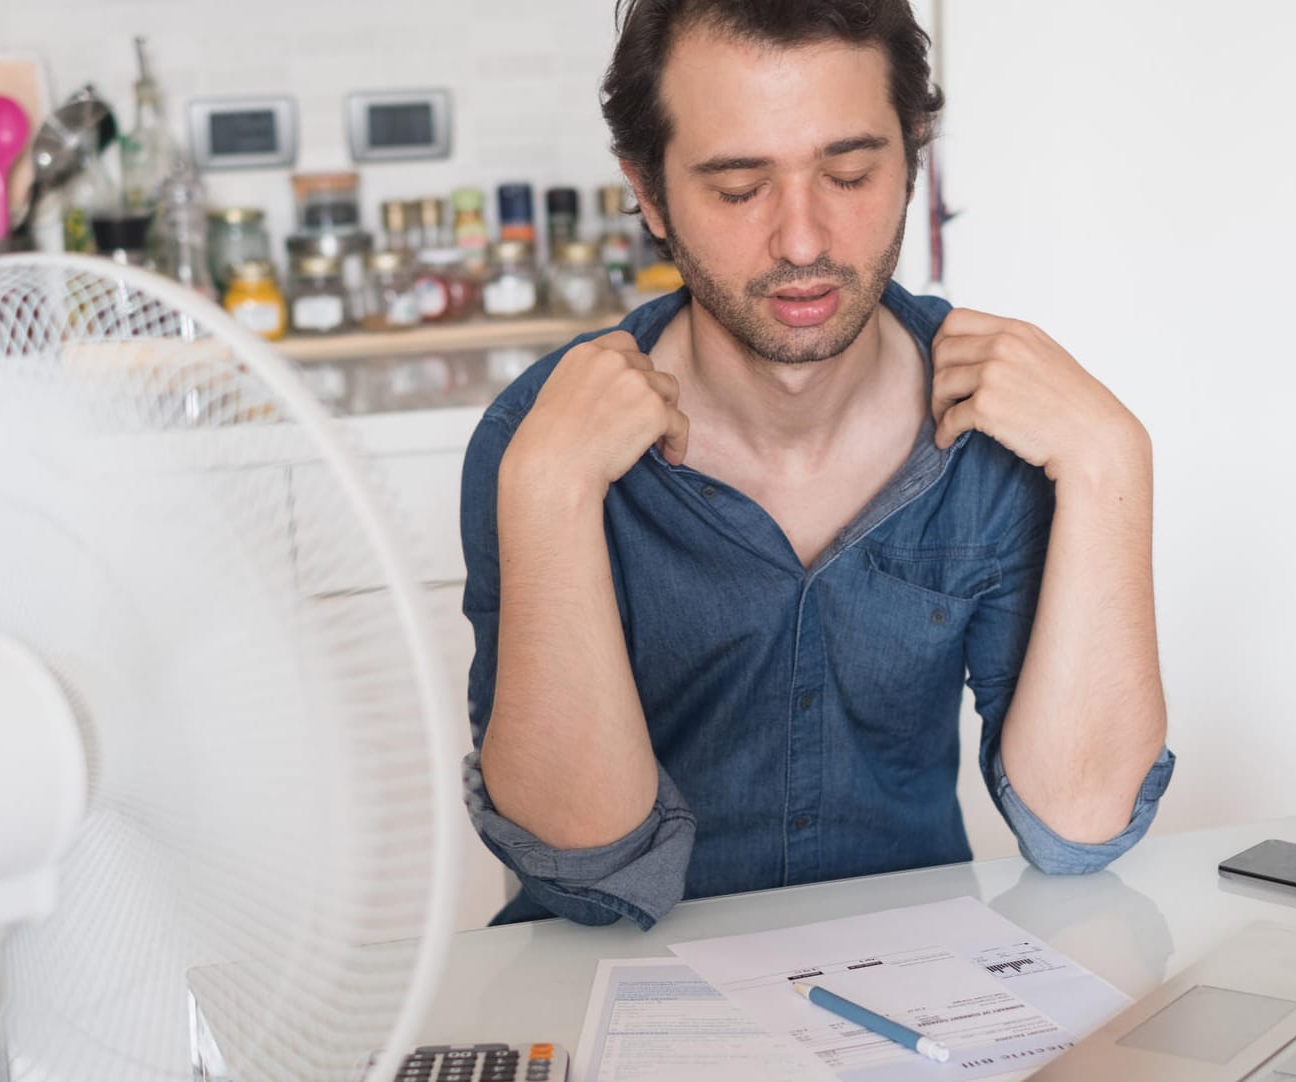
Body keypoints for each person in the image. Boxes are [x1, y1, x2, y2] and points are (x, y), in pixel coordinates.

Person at [459, 0, 1174, 929]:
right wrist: (549, 493)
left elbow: (1079, 828)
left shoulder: (1001, 431)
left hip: (908, 1000)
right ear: (648, 192)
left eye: (846, 173)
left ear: (912, 157)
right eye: (736, 188)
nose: (801, 242)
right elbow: (592, 870)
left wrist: (1112, 460)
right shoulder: (541, 438)